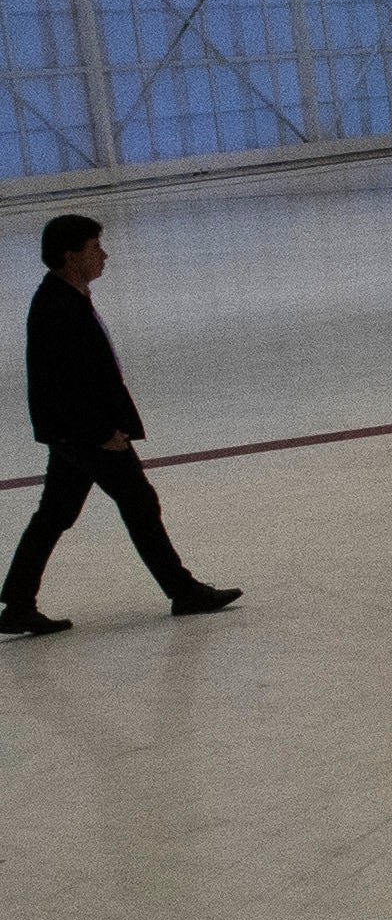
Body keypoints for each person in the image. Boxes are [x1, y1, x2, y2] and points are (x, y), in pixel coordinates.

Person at [2, 216, 238, 636]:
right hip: (87, 433)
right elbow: (66, 382)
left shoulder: (68, 296)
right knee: (139, 503)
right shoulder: (57, 307)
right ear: (71, 256)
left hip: (72, 432)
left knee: (56, 513)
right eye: (95, 247)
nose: (104, 255)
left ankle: (18, 601)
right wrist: (101, 431)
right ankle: (182, 590)